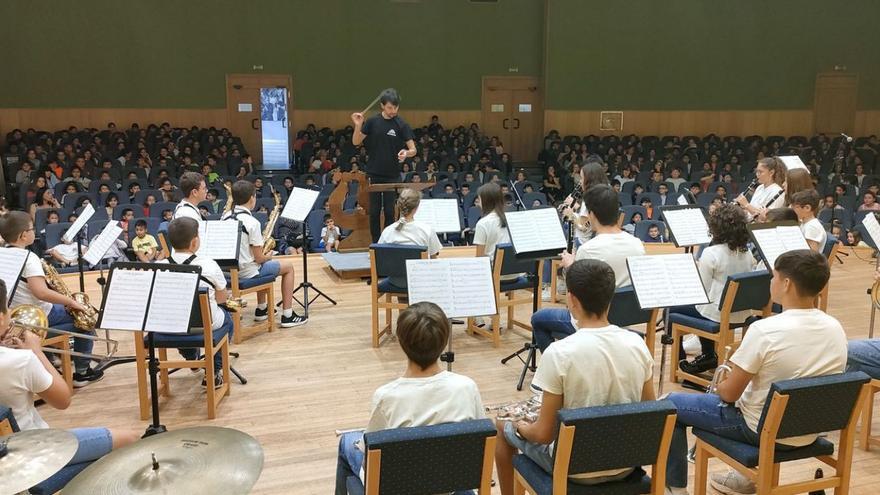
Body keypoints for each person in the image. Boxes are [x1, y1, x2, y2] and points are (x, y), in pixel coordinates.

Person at [665, 250, 847, 495]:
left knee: (671, 404)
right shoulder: (835, 327)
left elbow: (729, 395)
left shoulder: (765, 330)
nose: (770, 283)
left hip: (761, 431)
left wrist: (720, 383)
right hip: (809, 430)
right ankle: (743, 479)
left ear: (786, 283)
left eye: (773, 277)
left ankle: (674, 489)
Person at [494, 259, 655, 495]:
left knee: (501, 427)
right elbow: (649, 412)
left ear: (571, 299)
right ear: (610, 299)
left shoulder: (559, 352)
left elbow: (544, 434)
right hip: (626, 465)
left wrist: (519, 427)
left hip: (573, 469)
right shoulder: (637, 344)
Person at [0, 279, 140, 489]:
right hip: (29, 453)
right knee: (130, 440)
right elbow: (62, 399)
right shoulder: (19, 361)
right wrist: (37, 352)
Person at [334, 302, 485, 495]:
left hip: (397, 487)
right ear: (445, 339)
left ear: (401, 342)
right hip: (451, 485)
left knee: (347, 441)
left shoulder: (386, 396)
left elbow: (370, 457)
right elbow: (481, 444)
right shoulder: (467, 387)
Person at [531, 185, 645, 353]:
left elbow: (577, 293)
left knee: (538, 319)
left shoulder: (590, 249)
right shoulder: (638, 244)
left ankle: (560, 366)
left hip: (591, 319)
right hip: (625, 316)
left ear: (591, 214)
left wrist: (571, 265)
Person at [0, 211, 102, 386]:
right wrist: (71, 302)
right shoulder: (29, 258)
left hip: (14, 317)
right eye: (32, 229)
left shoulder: (3, 255)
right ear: (24, 235)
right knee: (86, 322)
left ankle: (51, 363)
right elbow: (41, 293)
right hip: (39, 316)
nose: (35, 232)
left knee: (67, 310)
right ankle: (82, 373)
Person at [674, 204, 757, 374]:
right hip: (741, 312)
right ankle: (708, 355)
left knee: (672, 310)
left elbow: (701, 292)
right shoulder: (747, 253)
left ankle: (689, 359)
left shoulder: (711, 253)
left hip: (719, 314)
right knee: (706, 305)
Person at [222, 180, 307, 327]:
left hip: (228, 271)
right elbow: (259, 258)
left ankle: (262, 309)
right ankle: (287, 315)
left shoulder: (225, 216)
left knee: (261, 263)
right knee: (288, 267)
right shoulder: (252, 222)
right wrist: (269, 255)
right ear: (252, 198)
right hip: (247, 273)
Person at [163, 218, 234, 387]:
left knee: (184, 321)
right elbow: (222, 298)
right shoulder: (208, 265)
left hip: (169, 327)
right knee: (227, 320)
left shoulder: (158, 266)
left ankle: (192, 359)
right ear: (194, 242)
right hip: (203, 324)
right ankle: (214, 371)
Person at [351, 88, 417, 242]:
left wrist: (406, 153)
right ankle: (375, 243)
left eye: (395, 107)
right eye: (389, 107)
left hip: (393, 175)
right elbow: (356, 141)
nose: (393, 111)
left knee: (389, 211)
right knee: (374, 211)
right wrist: (358, 124)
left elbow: (413, 149)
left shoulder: (401, 124)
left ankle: (388, 242)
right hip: (373, 173)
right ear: (382, 106)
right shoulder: (373, 122)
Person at [377, 188, 442, 258]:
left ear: (398, 204)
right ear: (416, 208)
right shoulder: (427, 230)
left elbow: (379, 256)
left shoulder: (387, 232)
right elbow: (433, 259)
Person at [735, 157, 785, 222]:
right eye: (757, 171)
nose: (757, 175)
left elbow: (768, 219)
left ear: (771, 172)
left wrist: (746, 205)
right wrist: (741, 209)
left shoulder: (777, 191)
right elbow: (752, 212)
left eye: (760, 172)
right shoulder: (759, 187)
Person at [473, 183, 510, 263]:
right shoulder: (511, 219)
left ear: (485, 201)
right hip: (516, 272)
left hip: (493, 272)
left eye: (479, 200)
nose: (479, 203)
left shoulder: (482, 223)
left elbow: (480, 258)